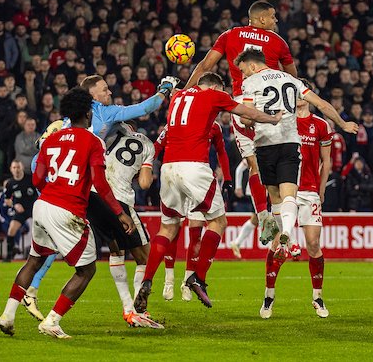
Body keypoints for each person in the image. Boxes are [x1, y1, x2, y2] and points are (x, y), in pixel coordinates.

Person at [134, 72, 283, 313]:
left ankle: (147, 280)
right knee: (218, 222)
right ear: (214, 86)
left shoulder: (178, 96)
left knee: (168, 227)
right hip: (195, 166)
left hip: (169, 167)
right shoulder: (214, 95)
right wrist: (272, 119)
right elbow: (247, 113)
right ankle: (197, 277)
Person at [0, 87, 135, 339]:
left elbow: (38, 178)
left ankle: (7, 315)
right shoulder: (94, 142)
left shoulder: (50, 140)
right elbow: (101, 185)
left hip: (42, 205)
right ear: (86, 113)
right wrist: (119, 213)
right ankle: (52, 321)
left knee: (34, 260)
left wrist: (52, 191)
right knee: (87, 270)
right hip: (66, 209)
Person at [183, 1, 298, 245]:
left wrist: (185, 91)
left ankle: (264, 216)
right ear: (263, 20)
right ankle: (281, 225)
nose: (276, 21)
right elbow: (291, 77)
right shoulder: (278, 43)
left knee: (253, 164)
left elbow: (205, 66)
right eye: (273, 17)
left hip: (241, 103)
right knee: (277, 164)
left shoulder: (230, 35)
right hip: (271, 107)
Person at [236, 48, 358, 261]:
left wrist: (246, 117)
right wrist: (343, 124)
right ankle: (288, 236)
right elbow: (321, 104)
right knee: (289, 195)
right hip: (290, 143)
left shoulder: (250, 83)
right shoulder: (291, 79)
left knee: (276, 198)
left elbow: (247, 118)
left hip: (265, 144)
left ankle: (289, 241)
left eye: (244, 70)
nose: (243, 75)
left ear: (253, 65)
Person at [260, 78, 332, 319]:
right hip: (285, 190)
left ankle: (318, 297)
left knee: (313, 244)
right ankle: (269, 296)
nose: (298, 97)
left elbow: (327, 161)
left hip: (310, 190)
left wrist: (321, 190)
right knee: (278, 245)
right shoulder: (283, 121)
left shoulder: (320, 125)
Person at [155, 120, 233, 301]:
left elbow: (221, 151)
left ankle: (187, 281)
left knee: (195, 234)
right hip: (176, 177)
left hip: (200, 181)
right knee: (173, 230)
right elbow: (157, 146)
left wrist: (226, 176)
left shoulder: (214, 125)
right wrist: (147, 166)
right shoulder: (175, 123)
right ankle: (169, 279)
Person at [102, 121, 164, 328]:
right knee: (145, 258)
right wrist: (136, 170)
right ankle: (138, 310)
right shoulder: (148, 145)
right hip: (120, 199)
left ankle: (128, 307)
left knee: (116, 253)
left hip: (97, 197)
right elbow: (145, 184)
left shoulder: (112, 128)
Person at [1, 159, 37, 262]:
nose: (16, 170)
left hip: (34, 209)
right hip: (21, 210)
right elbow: (7, 199)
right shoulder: (10, 183)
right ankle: (9, 256)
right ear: (11, 170)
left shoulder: (30, 179)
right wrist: (14, 205)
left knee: (43, 230)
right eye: (14, 168)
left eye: (18, 167)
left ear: (22, 168)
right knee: (11, 229)